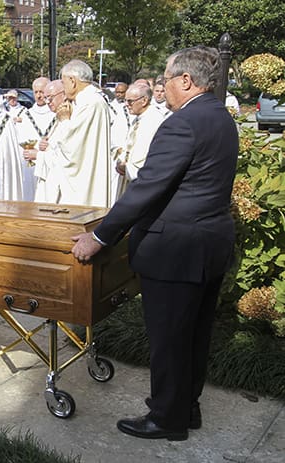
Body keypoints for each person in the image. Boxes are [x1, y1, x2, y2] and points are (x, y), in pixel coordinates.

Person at [71, 46, 239, 441]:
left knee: (169, 340)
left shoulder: (183, 123)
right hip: (210, 245)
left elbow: (147, 187)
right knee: (194, 336)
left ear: (186, 80)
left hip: (176, 249)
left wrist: (99, 236)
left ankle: (167, 419)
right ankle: (187, 407)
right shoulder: (221, 117)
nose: (162, 84)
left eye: (166, 78)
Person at [40, 59, 111, 207]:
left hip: (82, 179)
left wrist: (65, 120)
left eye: (64, 83)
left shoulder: (89, 102)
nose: (64, 89)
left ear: (72, 81)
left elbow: (72, 145)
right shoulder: (86, 100)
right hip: (81, 172)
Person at [112, 83, 167, 200]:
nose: (126, 104)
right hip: (128, 178)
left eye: (130, 101)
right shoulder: (139, 118)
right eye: (126, 101)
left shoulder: (153, 120)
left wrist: (127, 168)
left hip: (140, 182)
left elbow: (143, 155)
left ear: (144, 101)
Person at [27, 79, 66, 202]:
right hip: (46, 177)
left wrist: (39, 155)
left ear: (63, 95)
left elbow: (66, 156)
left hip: (59, 182)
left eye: (50, 98)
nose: (47, 101)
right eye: (36, 92)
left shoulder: (67, 119)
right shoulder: (25, 114)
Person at [17, 77, 53, 201]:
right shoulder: (25, 115)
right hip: (30, 166)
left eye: (42, 92)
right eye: (36, 92)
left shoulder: (57, 114)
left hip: (50, 164)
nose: (39, 95)